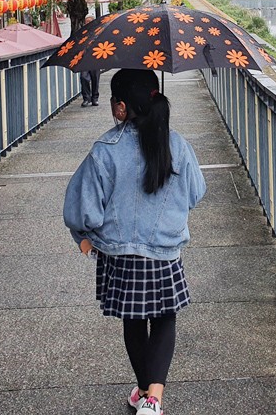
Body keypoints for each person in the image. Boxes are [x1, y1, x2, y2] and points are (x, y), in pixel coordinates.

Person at [63, 69, 206, 415]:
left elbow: (82, 211)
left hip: (121, 254)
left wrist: (83, 239)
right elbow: (196, 194)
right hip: (165, 252)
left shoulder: (105, 149)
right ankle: (153, 399)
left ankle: (144, 392)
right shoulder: (177, 145)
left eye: (114, 101)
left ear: (122, 107)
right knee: (163, 317)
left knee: (134, 320)